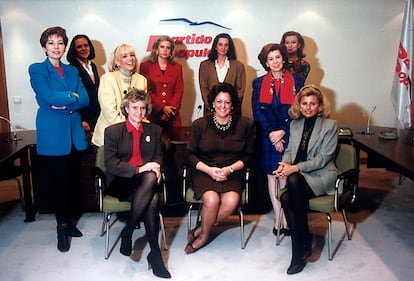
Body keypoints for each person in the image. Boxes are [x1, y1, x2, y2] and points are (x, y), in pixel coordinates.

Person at [28, 26, 89, 252]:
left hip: (74, 134)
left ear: (65, 46)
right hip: (52, 133)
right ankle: (61, 228)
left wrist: (66, 99)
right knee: (58, 184)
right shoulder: (37, 69)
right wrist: (70, 97)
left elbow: (84, 99)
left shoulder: (72, 70)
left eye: (60, 43)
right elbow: (46, 96)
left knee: (73, 182)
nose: (56, 47)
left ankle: (70, 223)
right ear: (44, 47)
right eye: (51, 43)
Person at [104, 88, 171, 279]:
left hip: (145, 182)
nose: (138, 112)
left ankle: (133, 236)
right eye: (134, 108)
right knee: (151, 190)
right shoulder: (113, 132)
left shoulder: (154, 130)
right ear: (126, 109)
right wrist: (139, 169)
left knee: (152, 194)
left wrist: (156, 167)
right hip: (121, 181)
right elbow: (111, 163)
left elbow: (158, 156)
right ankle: (154, 255)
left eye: (142, 108)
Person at [274, 85, 338, 274]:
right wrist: (283, 165)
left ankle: (298, 252)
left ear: (319, 105)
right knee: (286, 196)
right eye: (304, 103)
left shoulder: (330, 125)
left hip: (322, 174)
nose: (308, 107)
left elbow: (323, 159)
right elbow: (289, 152)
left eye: (312, 104)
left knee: (292, 182)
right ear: (299, 105)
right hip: (299, 176)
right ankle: (303, 242)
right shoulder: (295, 125)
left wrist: (294, 168)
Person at [184, 82, 255, 254]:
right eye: (219, 101)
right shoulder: (200, 124)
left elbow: (248, 156)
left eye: (227, 102)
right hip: (205, 172)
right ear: (212, 104)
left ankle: (201, 228)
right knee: (212, 200)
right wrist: (209, 170)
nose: (223, 106)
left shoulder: (245, 124)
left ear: (232, 105)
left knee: (231, 202)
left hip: (232, 172)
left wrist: (230, 169)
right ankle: (203, 237)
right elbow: (190, 154)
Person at [252, 43, 304, 237]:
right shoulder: (258, 83)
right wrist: (273, 136)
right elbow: (258, 112)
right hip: (268, 136)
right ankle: (278, 218)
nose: (275, 62)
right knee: (272, 176)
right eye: (271, 59)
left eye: (278, 57)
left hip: (289, 134)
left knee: (284, 176)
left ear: (284, 58)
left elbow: (298, 110)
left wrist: (282, 131)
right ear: (266, 62)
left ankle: (286, 216)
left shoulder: (297, 81)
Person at [92, 44, 147, 147]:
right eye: (124, 56)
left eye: (132, 55)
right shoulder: (107, 79)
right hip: (110, 136)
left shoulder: (142, 80)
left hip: (135, 136)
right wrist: (129, 128)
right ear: (117, 61)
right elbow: (109, 112)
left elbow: (143, 109)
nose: (130, 59)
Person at [140, 35, 184, 128]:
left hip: (172, 115)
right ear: (156, 49)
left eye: (168, 48)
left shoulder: (177, 67)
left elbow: (178, 91)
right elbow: (147, 91)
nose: (165, 50)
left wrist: (170, 110)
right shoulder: (145, 66)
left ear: (171, 51)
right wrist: (162, 108)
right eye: (162, 47)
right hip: (153, 114)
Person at [199, 33, 246, 115]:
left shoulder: (238, 66)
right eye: (220, 44)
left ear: (229, 48)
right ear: (215, 46)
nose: (223, 48)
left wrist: (230, 107)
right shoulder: (204, 65)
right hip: (211, 112)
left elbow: (240, 90)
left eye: (226, 45)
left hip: (232, 113)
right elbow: (204, 89)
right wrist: (212, 107)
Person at [67, 34, 100, 135]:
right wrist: (81, 119)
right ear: (74, 50)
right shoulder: (71, 69)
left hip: (96, 114)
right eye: (79, 46)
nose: (83, 49)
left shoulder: (93, 66)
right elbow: (73, 96)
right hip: (83, 118)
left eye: (86, 45)